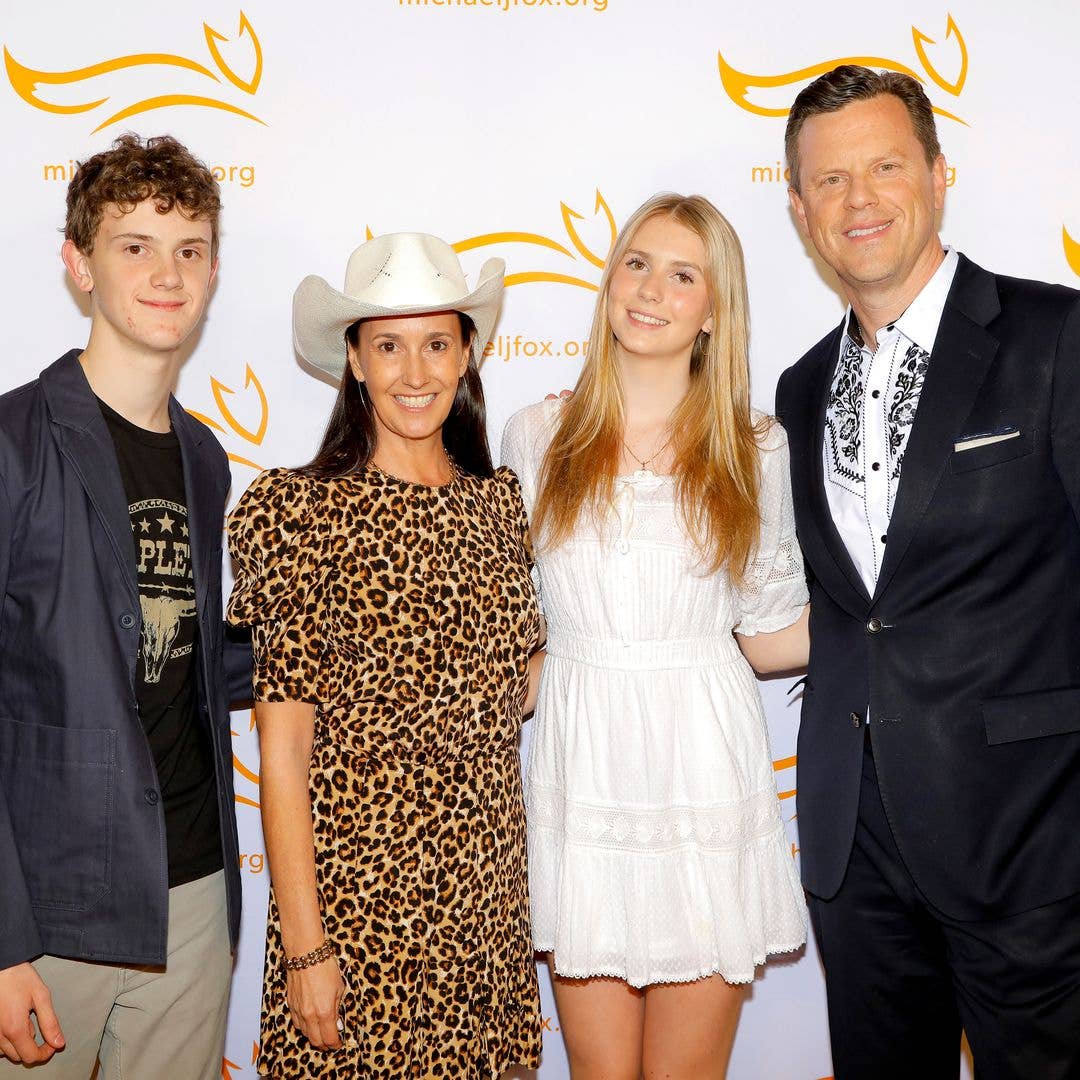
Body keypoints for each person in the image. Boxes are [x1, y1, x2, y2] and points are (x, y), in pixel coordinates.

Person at [775, 65, 1080, 1079]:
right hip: (855, 849)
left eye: (885, 167)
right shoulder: (799, 387)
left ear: (939, 175)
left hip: (1029, 839)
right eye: (829, 179)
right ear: (798, 208)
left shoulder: (1054, 336)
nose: (858, 199)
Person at [501, 193, 810, 1080]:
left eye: (682, 275)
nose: (649, 290)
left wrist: (922, 610)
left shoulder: (756, 447)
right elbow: (516, 632)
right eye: (636, 263)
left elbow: (771, 635)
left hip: (703, 773)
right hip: (583, 769)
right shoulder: (537, 433)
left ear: (714, 310)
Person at [227, 233, 544, 1079]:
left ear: (467, 354)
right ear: (355, 360)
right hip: (358, 915)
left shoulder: (499, 507)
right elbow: (283, 751)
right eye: (389, 346)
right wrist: (306, 949)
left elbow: (517, 687)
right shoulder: (299, 513)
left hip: (485, 909)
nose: (414, 372)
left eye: (436, 344)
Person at [0, 134, 250, 1078]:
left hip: (192, 896)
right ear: (80, 265)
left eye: (189, 249)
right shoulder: (14, 441)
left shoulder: (204, 456)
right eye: (134, 245)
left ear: (213, 272)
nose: (166, 273)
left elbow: (183, 655)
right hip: (48, 911)